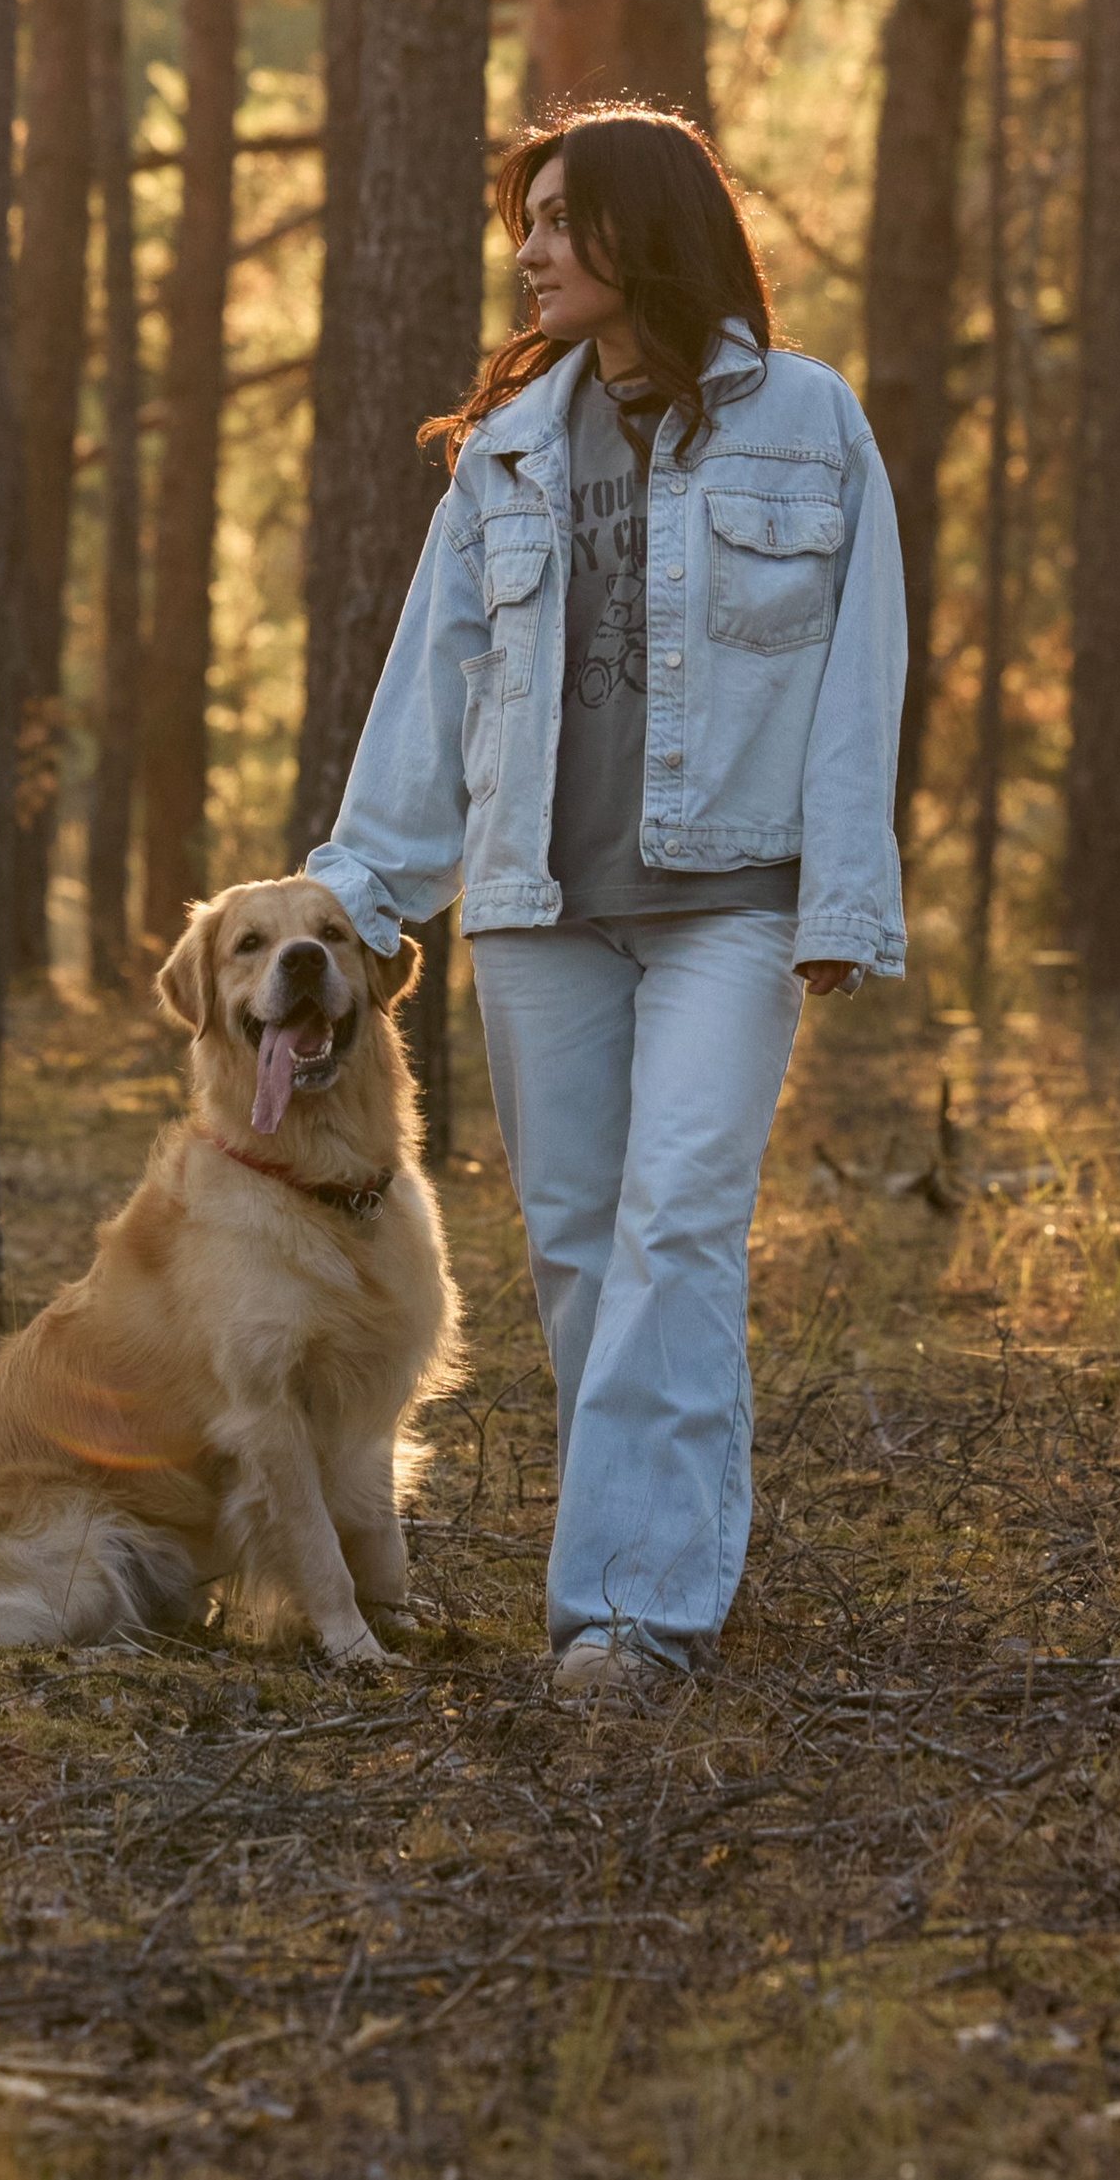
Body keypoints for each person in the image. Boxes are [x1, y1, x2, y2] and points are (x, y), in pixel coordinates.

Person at [305, 104, 905, 1702]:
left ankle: (631, 1617)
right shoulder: (505, 448)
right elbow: (434, 681)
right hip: (535, 900)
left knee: (678, 1225)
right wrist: (364, 884)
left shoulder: (811, 422)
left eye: (562, 218)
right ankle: (654, 1557)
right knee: (577, 1245)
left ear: (650, 228)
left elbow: (863, 670)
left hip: (735, 901)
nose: (532, 250)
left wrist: (846, 887)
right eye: (528, 219)